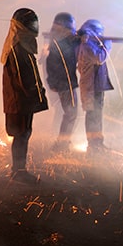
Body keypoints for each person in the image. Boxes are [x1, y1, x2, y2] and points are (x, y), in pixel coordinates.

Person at [0, 7, 48, 183]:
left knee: (23, 133)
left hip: (21, 100)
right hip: (20, 101)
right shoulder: (18, 47)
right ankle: (18, 171)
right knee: (21, 134)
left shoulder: (21, 45)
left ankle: (18, 170)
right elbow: (24, 79)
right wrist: (37, 94)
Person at [43, 12, 81, 151]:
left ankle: (61, 142)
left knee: (67, 113)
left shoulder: (59, 41)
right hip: (65, 83)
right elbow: (52, 64)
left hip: (62, 83)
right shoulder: (61, 43)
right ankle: (61, 144)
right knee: (71, 113)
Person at [76, 19, 114, 154]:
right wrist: (108, 45)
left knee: (97, 115)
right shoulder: (86, 46)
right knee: (92, 115)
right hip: (91, 87)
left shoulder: (91, 44)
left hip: (96, 86)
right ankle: (93, 146)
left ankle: (98, 143)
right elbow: (99, 58)